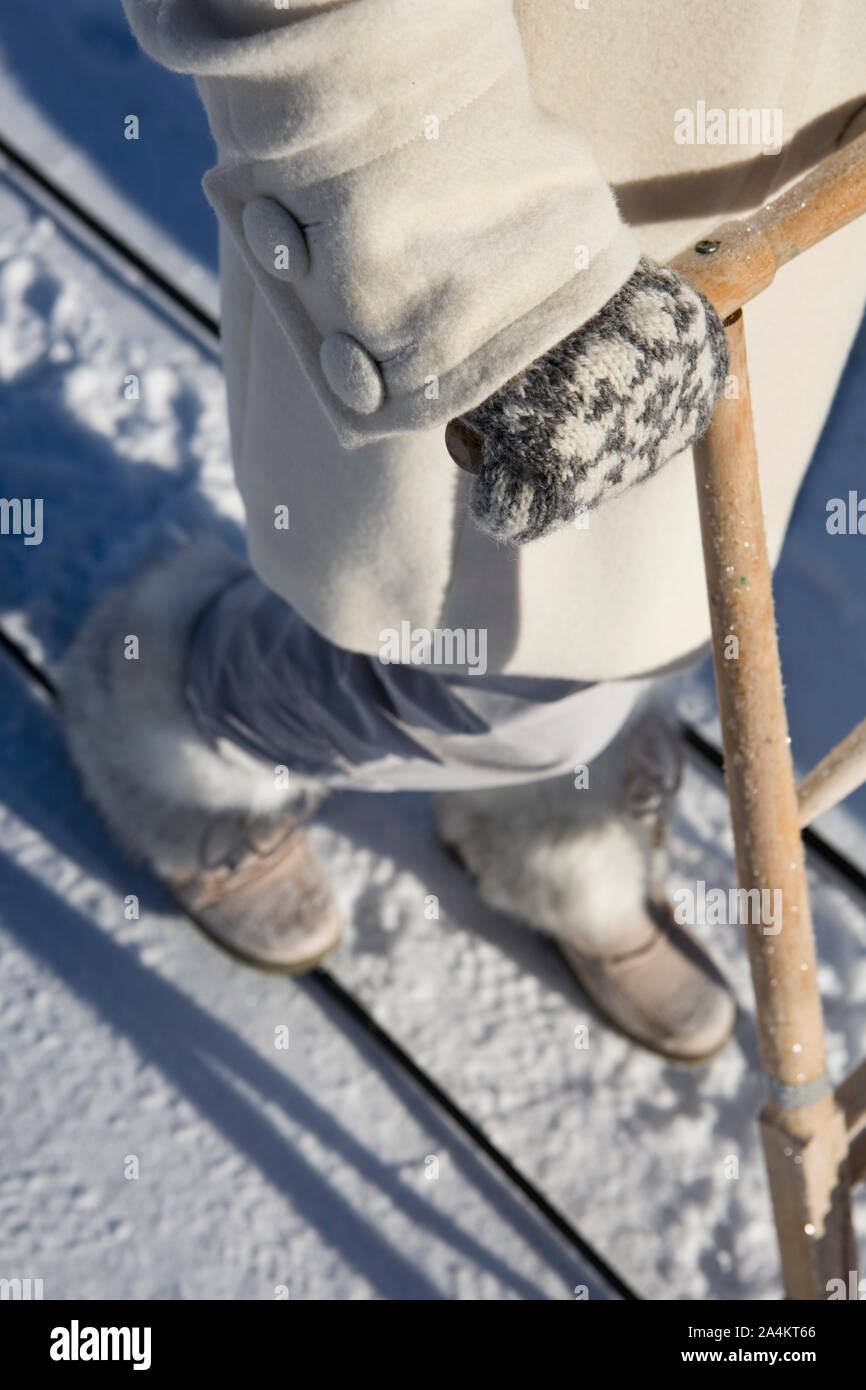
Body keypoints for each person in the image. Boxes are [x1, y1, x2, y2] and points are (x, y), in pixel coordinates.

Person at [60, 0, 866, 1060]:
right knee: (480, 662)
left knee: (646, 606)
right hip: (497, 235)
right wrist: (463, 247)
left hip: (784, 192)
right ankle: (183, 703)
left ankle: (542, 809)